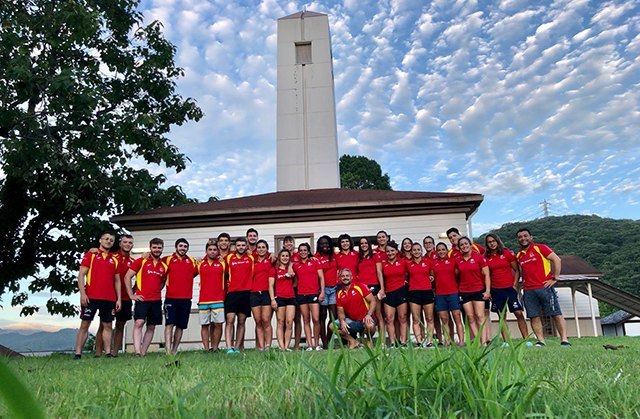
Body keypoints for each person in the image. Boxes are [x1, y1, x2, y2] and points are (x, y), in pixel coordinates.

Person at [515, 228, 570, 347]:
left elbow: (556, 260)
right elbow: (520, 272)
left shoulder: (540, 248)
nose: (523, 238)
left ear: (531, 237)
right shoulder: (519, 255)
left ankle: (564, 340)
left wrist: (555, 277)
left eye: (525, 236)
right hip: (528, 290)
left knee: (555, 313)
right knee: (534, 315)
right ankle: (541, 340)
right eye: (520, 237)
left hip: (544, 287)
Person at [73, 232, 121, 359]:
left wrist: (119, 298)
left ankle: (108, 353)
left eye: (111, 240)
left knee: (108, 325)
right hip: (91, 296)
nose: (108, 241)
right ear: (100, 240)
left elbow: (117, 280)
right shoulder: (91, 255)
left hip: (109, 298)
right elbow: (81, 275)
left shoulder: (114, 259)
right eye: (106, 239)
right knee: (85, 324)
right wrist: (83, 294)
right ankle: (78, 353)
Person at [123, 238, 167, 356]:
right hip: (142, 299)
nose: (157, 250)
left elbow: (162, 282)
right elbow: (127, 277)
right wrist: (131, 295)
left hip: (156, 300)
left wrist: (157, 290)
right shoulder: (141, 261)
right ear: (150, 248)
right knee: (139, 322)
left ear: (162, 249)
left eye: (159, 248)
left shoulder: (164, 266)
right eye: (154, 247)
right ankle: (137, 351)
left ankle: (143, 353)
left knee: (151, 326)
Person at [484, 233, 529, 341]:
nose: (492, 244)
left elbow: (517, 270)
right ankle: (506, 341)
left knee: (518, 313)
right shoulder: (486, 257)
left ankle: (526, 339)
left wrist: (515, 285)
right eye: (489, 242)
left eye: (493, 241)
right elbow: (487, 275)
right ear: (487, 244)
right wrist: (489, 290)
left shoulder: (507, 253)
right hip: (496, 289)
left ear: (497, 241)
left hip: (510, 288)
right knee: (502, 316)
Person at [95, 234, 134, 357]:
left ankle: (115, 353)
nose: (127, 244)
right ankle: (98, 353)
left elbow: (141, 276)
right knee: (104, 324)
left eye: (130, 243)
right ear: (120, 243)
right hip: (110, 296)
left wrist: (133, 291)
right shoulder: (112, 256)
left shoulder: (133, 261)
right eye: (125, 242)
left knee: (120, 325)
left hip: (126, 298)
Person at [163, 238, 198, 355]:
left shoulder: (192, 261)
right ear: (176, 247)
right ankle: (168, 351)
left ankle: (174, 350)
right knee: (169, 324)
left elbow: (198, 271)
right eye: (181, 246)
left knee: (180, 326)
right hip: (171, 298)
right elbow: (154, 261)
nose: (183, 248)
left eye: (185, 246)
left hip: (186, 299)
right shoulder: (167, 259)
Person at [330, 268, 377, 349]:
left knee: (370, 325)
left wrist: (369, 315)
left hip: (365, 319)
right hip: (352, 321)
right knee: (332, 326)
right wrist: (342, 321)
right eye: (343, 276)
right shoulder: (339, 294)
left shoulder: (360, 287)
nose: (345, 278)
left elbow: (373, 301)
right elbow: (341, 312)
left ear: (351, 277)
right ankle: (353, 341)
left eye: (347, 276)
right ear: (340, 278)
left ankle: (368, 341)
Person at [457, 236, 491, 343]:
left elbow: (487, 275)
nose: (464, 246)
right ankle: (478, 341)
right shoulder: (458, 260)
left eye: (466, 244)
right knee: (470, 317)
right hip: (464, 292)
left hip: (478, 290)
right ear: (459, 248)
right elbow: (456, 275)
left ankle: (484, 342)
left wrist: (488, 291)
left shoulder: (479, 258)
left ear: (470, 245)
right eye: (461, 245)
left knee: (480, 316)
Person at [431, 242, 465, 346]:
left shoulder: (453, 261)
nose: (441, 252)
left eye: (443, 249)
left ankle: (461, 341)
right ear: (436, 252)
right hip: (440, 294)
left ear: (447, 250)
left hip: (453, 293)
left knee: (457, 317)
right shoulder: (434, 263)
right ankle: (447, 341)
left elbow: (458, 275)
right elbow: (432, 278)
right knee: (444, 319)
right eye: (439, 250)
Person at [224, 237, 254, 353]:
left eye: (243, 245)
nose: (241, 247)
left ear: (246, 246)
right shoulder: (229, 258)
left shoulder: (251, 257)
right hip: (232, 293)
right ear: (235, 247)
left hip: (246, 293)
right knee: (230, 320)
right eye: (238, 245)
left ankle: (237, 347)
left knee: (242, 321)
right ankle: (228, 347)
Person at [293, 243, 325, 351]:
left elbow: (321, 278)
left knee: (316, 319)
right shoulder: (296, 265)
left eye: (304, 250)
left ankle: (317, 344)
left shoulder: (315, 261)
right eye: (300, 250)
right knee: (306, 319)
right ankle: (310, 345)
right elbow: (294, 279)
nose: (302, 252)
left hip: (313, 293)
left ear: (308, 251)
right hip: (301, 294)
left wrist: (322, 292)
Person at [197, 240, 226, 352]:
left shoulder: (222, 263)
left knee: (218, 324)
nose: (212, 252)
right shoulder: (200, 264)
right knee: (205, 325)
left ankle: (215, 348)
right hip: (203, 300)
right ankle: (206, 348)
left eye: (214, 250)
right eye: (210, 250)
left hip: (218, 299)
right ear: (206, 251)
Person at [379, 240, 409, 347]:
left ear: (396, 251)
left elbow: (410, 274)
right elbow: (380, 276)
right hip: (389, 293)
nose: (390, 253)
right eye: (388, 251)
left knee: (402, 317)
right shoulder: (383, 264)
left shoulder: (403, 262)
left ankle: (404, 342)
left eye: (392, 251)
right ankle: (392, 342)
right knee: (389, 318)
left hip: (401, 291)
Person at [407, 243, 435, 347]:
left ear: (421, 250)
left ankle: (429, 341)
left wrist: (431, 277)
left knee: (429, 318)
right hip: (414, 292)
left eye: (418, 249)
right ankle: (419, 342)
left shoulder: (428, 262)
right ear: (411, 251)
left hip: (427, 291)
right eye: (414, 250)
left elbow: (432, 275)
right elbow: (406, 276)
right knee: (416, 319)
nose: (416, 251)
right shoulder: (408, 263)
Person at [358, 236, 385, 341]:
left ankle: (382, 341)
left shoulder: (375, 256)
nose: (364, 245)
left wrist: (382, 288)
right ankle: (363, 340)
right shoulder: (359, 257)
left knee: (377, 314)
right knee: (363, 313)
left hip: (374, 286)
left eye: (365, 243)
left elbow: (379, 272)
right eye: (361, 243)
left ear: (369, 244)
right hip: (362, 287)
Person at [250, 239, 275, 351]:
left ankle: (268, 346)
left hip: (266, 293)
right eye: (259, 247)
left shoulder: (271, 259)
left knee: (266, 320)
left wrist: (273, 254)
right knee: (258, 321)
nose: (261, 249)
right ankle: (261, 346)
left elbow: (285, 262)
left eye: (263, 247)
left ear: (267, 249)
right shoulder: (252, 260)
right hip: (254, 293)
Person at [269, 249, 296, 351]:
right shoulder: (274, 270)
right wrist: (272, 299)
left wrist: (290, 267)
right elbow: (270, 286)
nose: (285, 257)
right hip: (279, 297)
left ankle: (286, 346)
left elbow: (295, 282)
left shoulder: (291, 269)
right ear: (279, 257)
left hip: (291, 297)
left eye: (287, 256)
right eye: (283, 256)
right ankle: (281, 346)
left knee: (289, 322)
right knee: (280, 321)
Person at [316, 235, 338, 349]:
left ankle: (329, 340)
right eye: (322, 243)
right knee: (322, 316)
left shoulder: (334, 256)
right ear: (319, 246)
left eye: (327, 243)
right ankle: (324, 343)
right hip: (322, 290)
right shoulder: (316, 257)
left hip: (334, 289)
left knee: (334, 316)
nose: (325, 245)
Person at [283, 235, 302, 349]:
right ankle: (285, 344)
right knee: (286, 319)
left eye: (291, 242)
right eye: (287, 243)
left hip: (298, 290)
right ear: (284, 244)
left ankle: (296, 345)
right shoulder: (281, 256)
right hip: (284, 291)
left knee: (297, 318)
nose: (289, 244)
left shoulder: (298, 256)